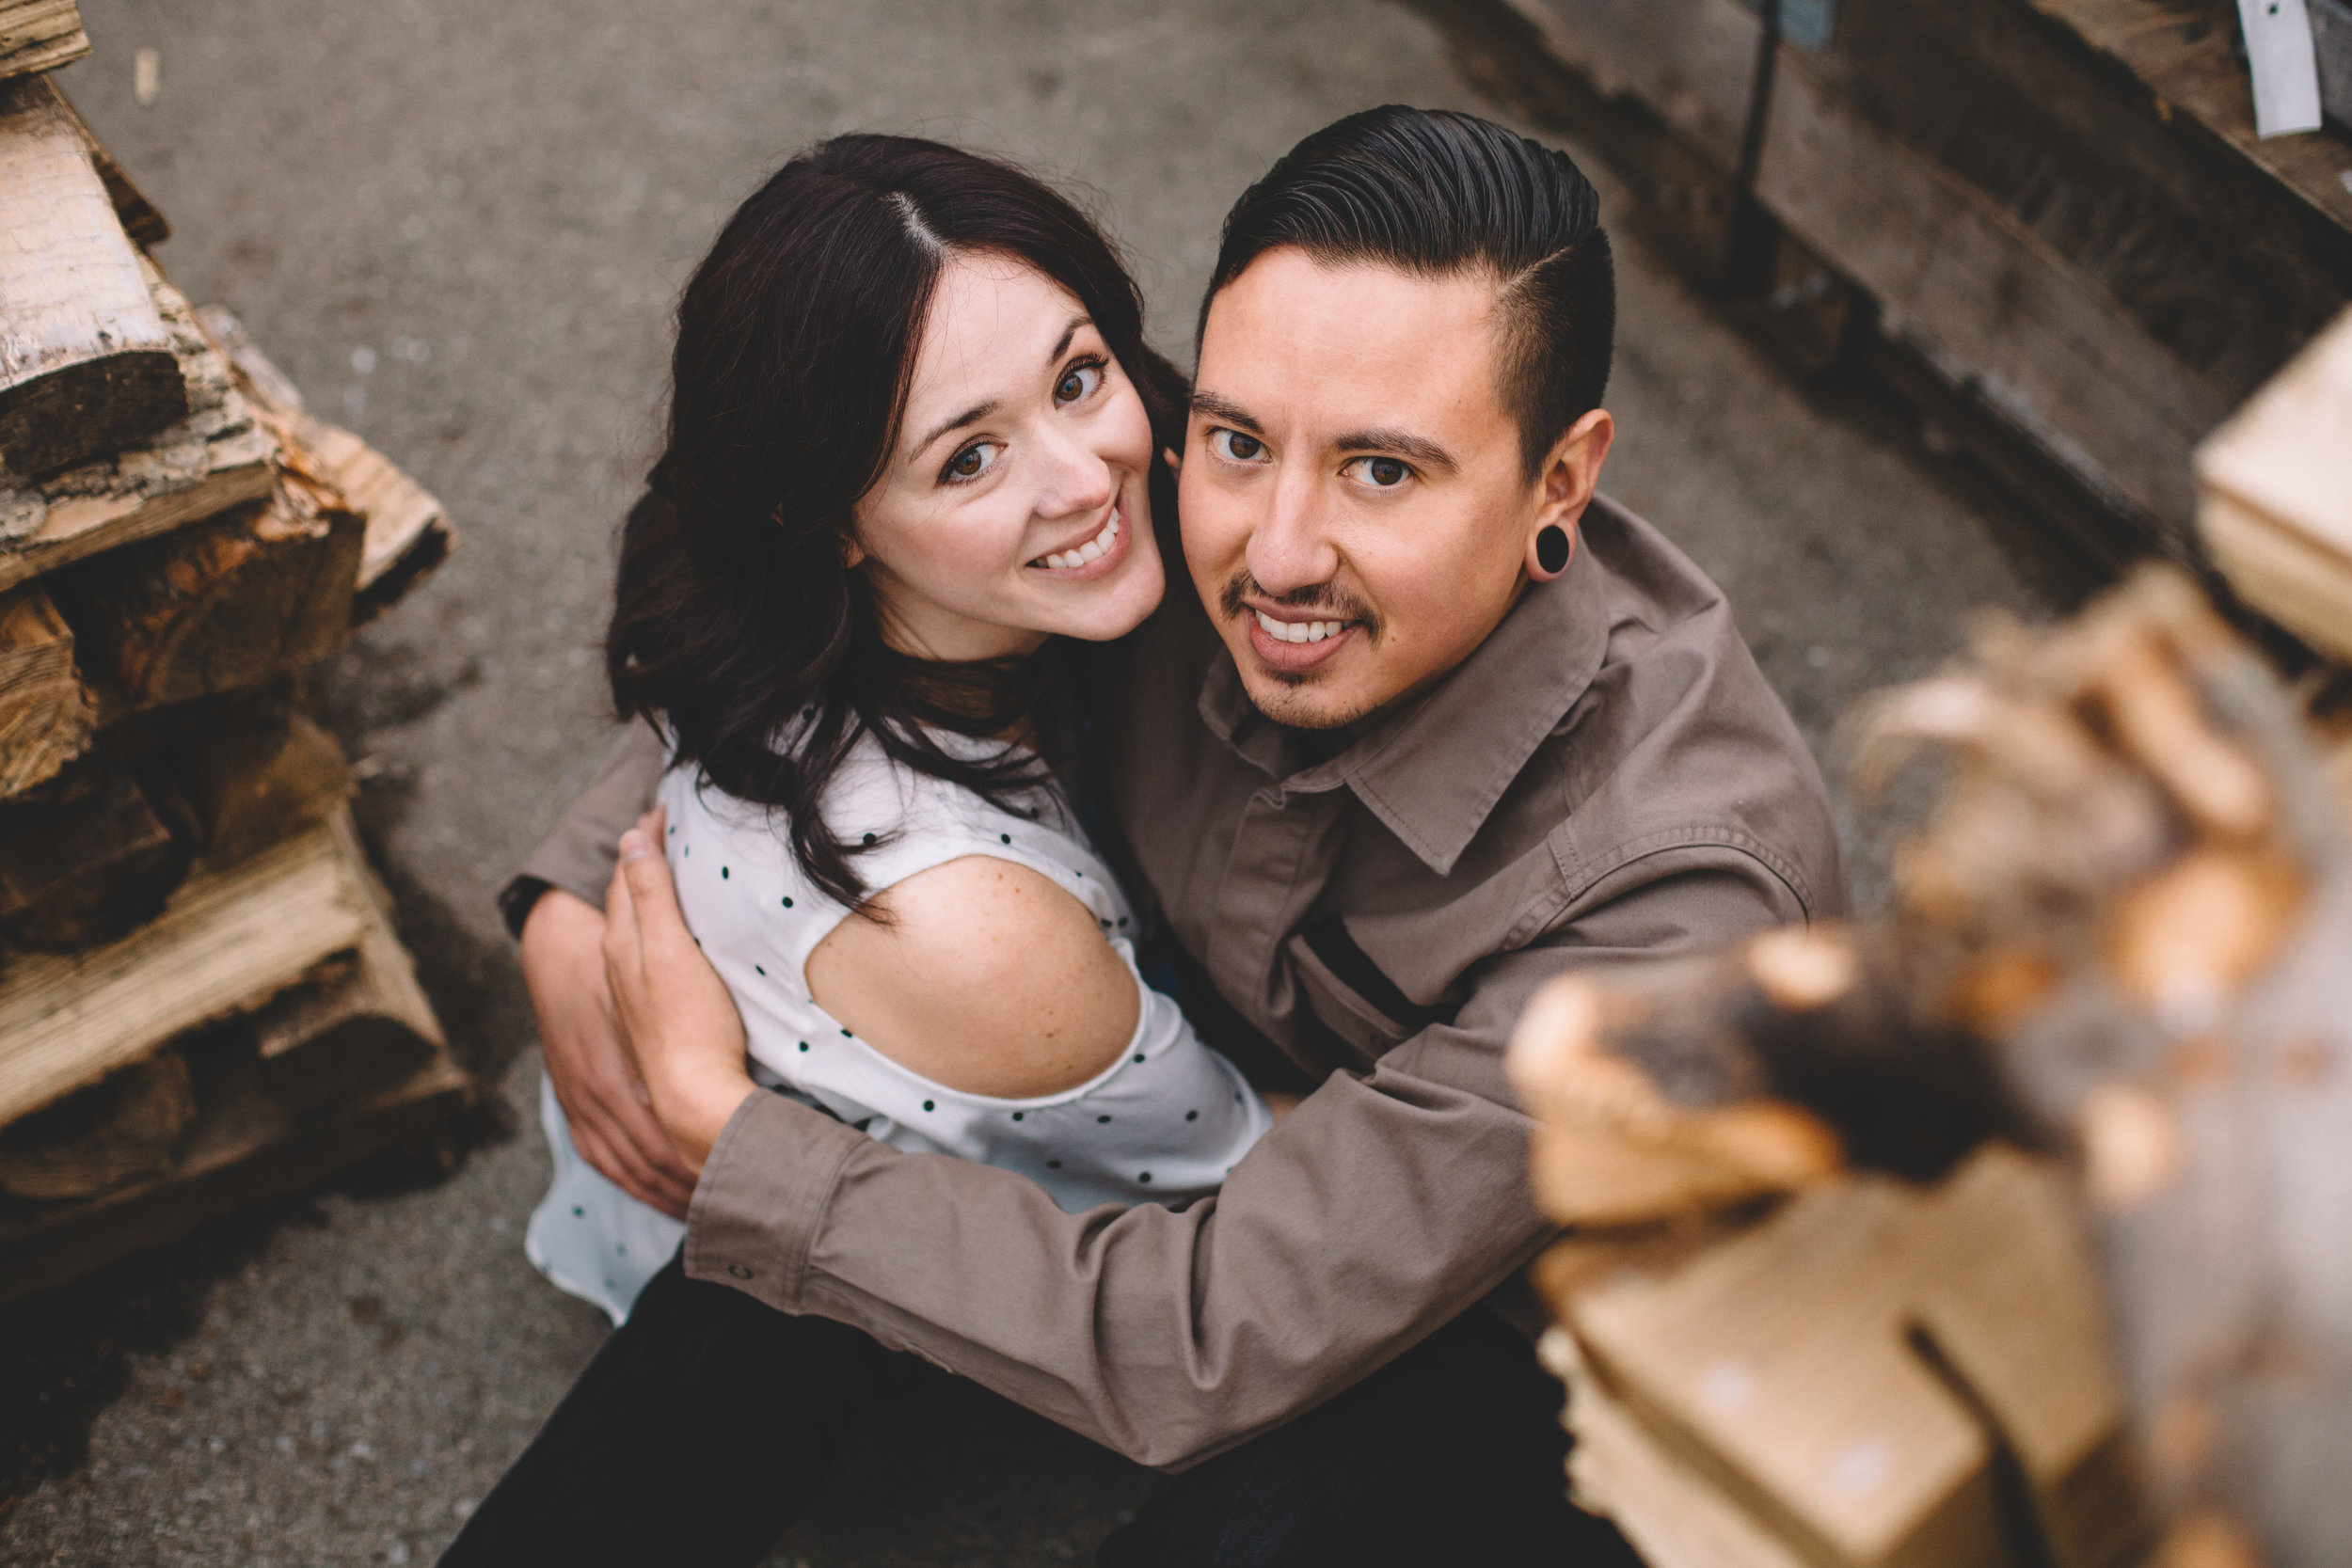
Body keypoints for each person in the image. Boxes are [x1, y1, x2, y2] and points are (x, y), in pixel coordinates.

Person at [460, 106, 1844, 1566]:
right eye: (1238, 438)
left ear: (1558, 482)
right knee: (797, 1226)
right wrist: (577, 891)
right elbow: (840, 592)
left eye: (1385, 471)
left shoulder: (1669, 905)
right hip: (1203, 1129)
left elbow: (1209, 1329)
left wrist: (723, 1137)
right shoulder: (1155, 481)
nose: (1280, 552)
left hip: (1526, 1316)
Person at [519, 134, 1276, 1325]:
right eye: (969, 458)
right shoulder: (969, 928)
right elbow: (1242, 1182)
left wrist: (555, 898)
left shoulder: (809, 610)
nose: (1086, 479)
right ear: (831, 522)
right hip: (846, 1279)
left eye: (1076, 377)